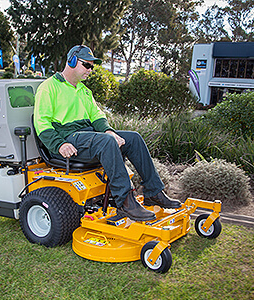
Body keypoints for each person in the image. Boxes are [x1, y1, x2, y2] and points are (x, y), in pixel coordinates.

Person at [34, 45, 181, 221]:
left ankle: (154, 192)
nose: (90, 70)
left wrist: (109, 131)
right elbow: (41, 122)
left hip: (86, 136)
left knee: (133, 138)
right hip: (67, 139)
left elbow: (97, 115)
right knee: (106, 142)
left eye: (92, 66)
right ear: (72, 61)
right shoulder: (49, 87)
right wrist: (60, 144)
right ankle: (126, 203)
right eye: (86, 65)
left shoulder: (83, 91)